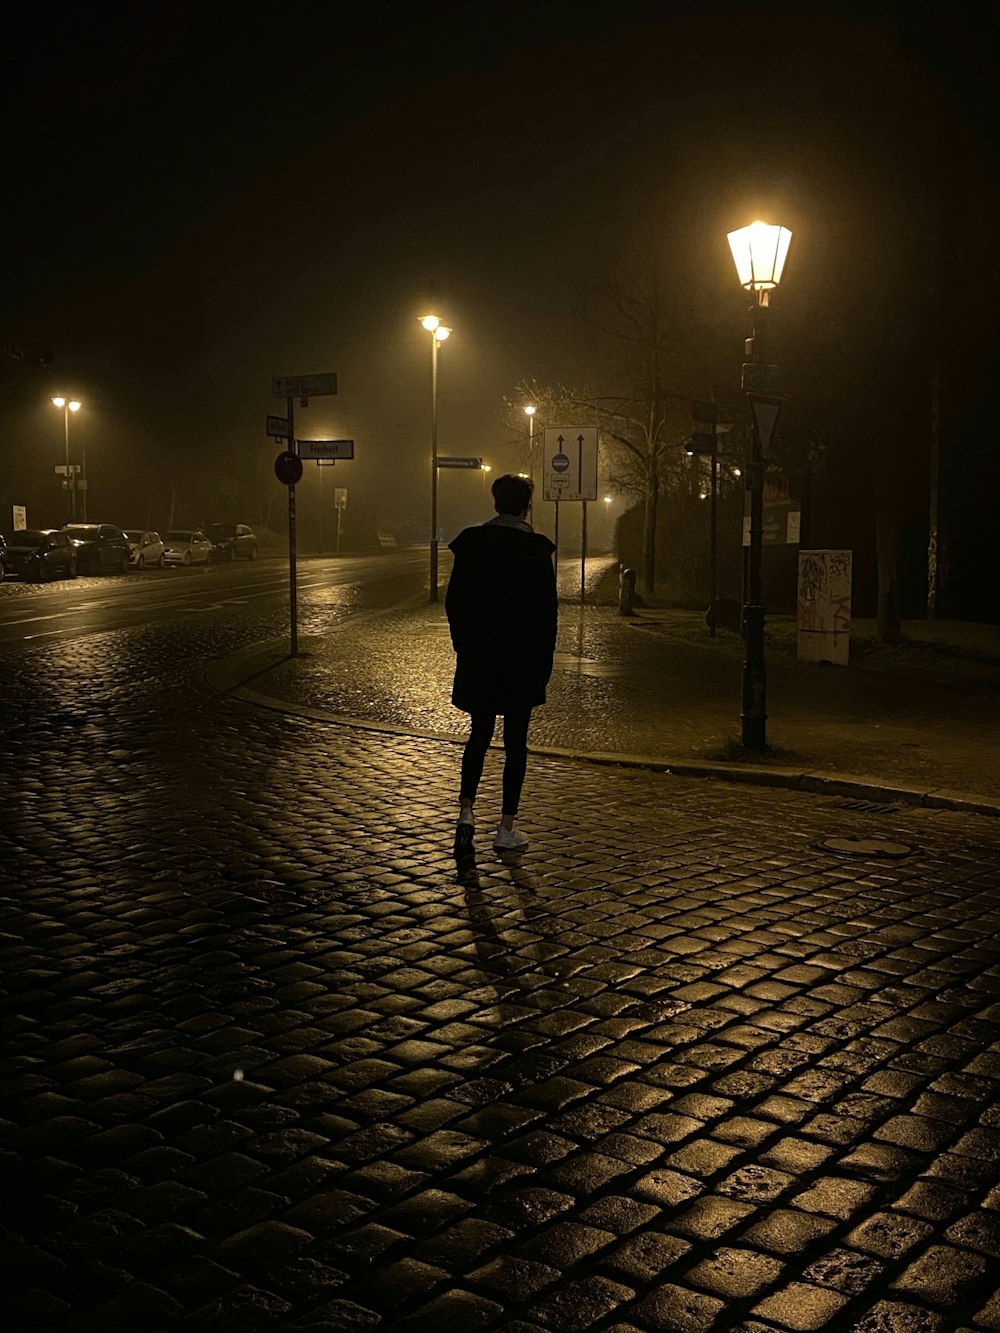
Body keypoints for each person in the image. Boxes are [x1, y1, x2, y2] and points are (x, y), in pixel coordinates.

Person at [445, 473, 558, 853]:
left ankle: (466, 813)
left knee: (478, 736)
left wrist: (465, 647)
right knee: (515, 745)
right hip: (521, 661)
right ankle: (505, 828)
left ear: (495, 503)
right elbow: (547, 615)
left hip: (480, 657)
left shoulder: (472, 545)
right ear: (526, 505)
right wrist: (543, 664)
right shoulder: (536, 551)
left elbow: (455, 603)